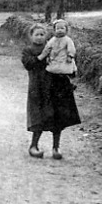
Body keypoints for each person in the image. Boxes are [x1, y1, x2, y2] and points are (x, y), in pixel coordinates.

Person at [22, 23, 81, 160]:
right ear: (31, 36)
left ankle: (56, 147)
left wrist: (70, 68)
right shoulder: (28, 50)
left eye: (42, 34)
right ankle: (34, 146)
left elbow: (65, 59)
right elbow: (28, 64)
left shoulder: (55, 45)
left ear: (46, 36)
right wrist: (42, 56)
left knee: (57, 116)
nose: (39, 37)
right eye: (36, 34)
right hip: (37, 88)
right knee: (38, 117)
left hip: (54, 87)